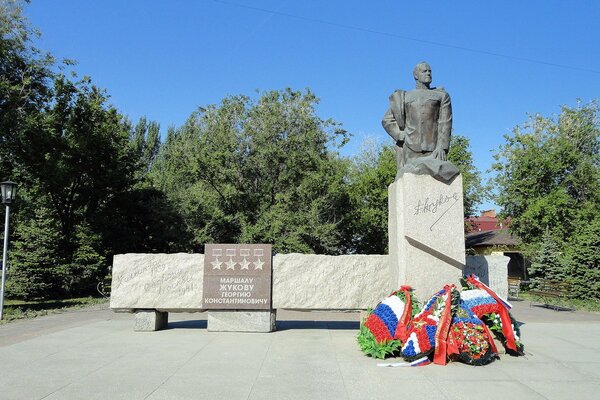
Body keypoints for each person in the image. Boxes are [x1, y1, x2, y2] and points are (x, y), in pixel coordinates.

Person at [382, 62, 459, 182]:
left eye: (430, 71)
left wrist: (442, 147)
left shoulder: (441, 96)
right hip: (410, 148)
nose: (428, 73)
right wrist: (400, 135)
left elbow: (445, 123)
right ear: (416, 75)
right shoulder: (405, 97)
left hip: (434, 149)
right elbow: (387, 120)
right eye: (424, 71)